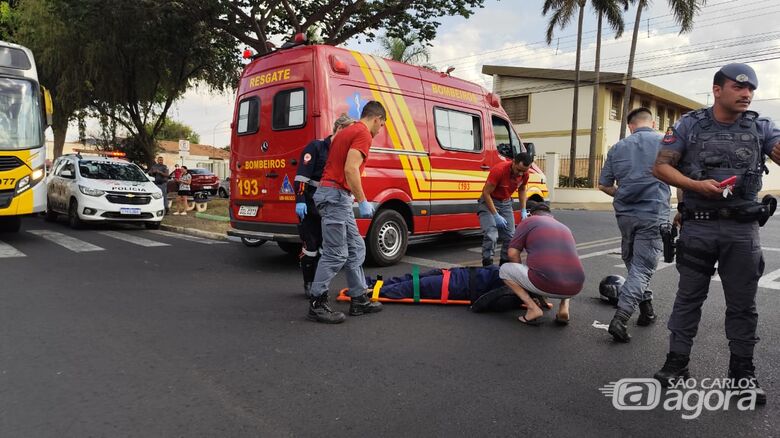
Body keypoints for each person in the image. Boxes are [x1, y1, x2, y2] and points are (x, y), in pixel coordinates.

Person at [652, 63, 780, 404]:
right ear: (717, 90)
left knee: (743, 305)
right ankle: (676, 363)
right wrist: (695, 185)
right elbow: (661, 165)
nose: (746, 94)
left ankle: (741, 375)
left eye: (750, 89)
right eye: (739, 88)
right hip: (699, 226)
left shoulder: (761, 127)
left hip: (742, 231)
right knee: (688, 298)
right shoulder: (689, 124)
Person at [307, 101, 387, 324]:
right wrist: (362, 200)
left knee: (356, 247)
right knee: (336, 253)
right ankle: (317, 302)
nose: (380, 130)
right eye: (381, 125)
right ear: (376, 119)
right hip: (335, 196)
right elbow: (350, 169)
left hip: (336, 195)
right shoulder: (363, 133)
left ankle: (359, 297)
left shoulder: (347, 130)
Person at [598, 107, 671, 343]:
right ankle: (620, 317)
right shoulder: (664, 143)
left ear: (630, 126)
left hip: (625, 215)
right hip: (653, 214)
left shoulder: (618, 147)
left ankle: (647, 310)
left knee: (633, 263)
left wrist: (623, 194)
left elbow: (604, 185)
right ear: (652, 123)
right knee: (642, 267)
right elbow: (680, 176)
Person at [295, 114, 355, 298]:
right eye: (347, 132)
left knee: (326, 249)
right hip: (310, 206)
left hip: (330, 207)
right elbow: (301, 177)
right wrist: (300, 200)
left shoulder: (344, 151)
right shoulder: (316, 147)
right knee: (310, 247)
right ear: (337, 129)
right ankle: (309, 283)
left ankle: (319, 286)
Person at [498, 201, 585, 326]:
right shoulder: (564, 227)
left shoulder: (528, 221)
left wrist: (522, 282)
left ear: (530, 214)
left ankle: (532, 308)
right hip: (576, 286)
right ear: (550, 215)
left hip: (545, 283)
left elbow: (512, 254)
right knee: (564, 265)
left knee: (505, 270)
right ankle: (564, 308)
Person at [478, 152, 533, 267]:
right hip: (489, 201)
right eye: (518, 169)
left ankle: (503, 266)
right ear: (513, 162)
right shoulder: (499, 170)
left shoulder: (524, 174)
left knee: (510, 237)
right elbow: (486, 193)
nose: (520, 173)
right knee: (491, 235)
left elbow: (522, 190)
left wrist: (523, 210)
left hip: (506, 203)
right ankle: (487, 265)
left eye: (524, 171)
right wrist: (495, 215)